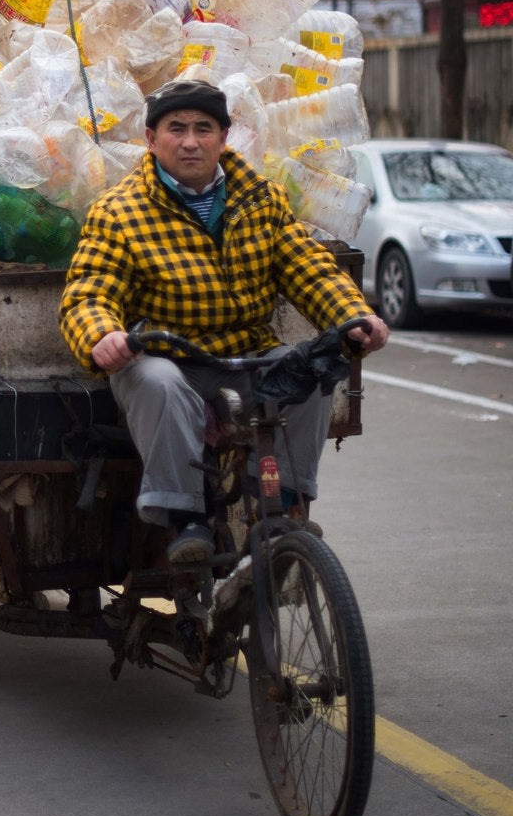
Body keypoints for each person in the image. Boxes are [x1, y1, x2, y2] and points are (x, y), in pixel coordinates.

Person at [59, 79, 389, 564]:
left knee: (313, 371)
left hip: (248, 356)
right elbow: (88, 291)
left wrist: (354, 316)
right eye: (176, 129)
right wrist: (102, 336)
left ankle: (283, 508)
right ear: (151, 140)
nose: (190, 141)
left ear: (223, 137)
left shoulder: (262, 200)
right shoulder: (119, 212)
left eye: (203, 129)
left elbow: (308, 269)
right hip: (169, 357)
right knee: (157, 381)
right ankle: (184, 519)